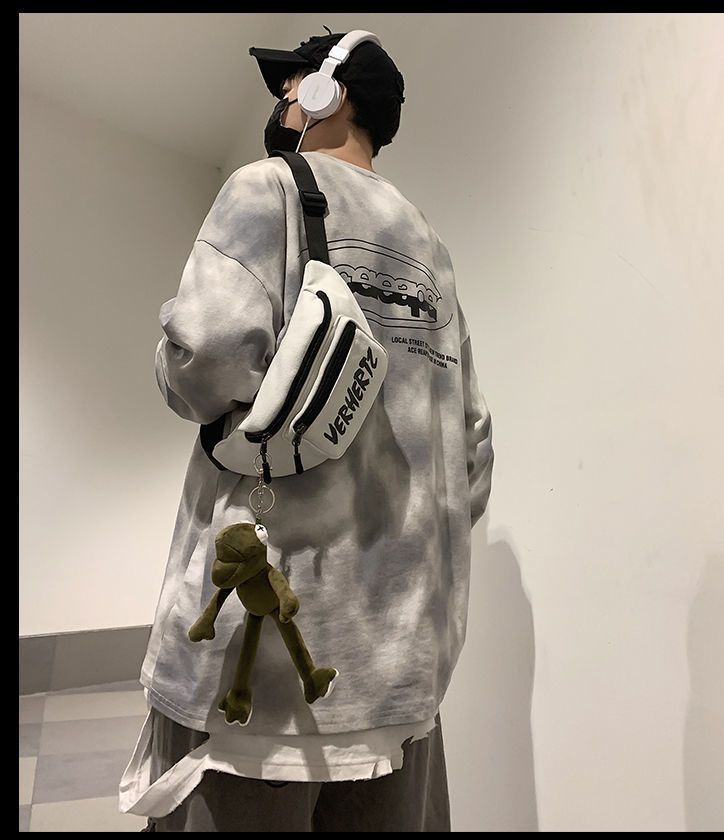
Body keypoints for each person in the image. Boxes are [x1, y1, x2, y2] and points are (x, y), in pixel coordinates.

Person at [120, 29, 494, 832]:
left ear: (331, 92)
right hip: (399, 673)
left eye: (288, 87)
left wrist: (168, 347)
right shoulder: (430, 246)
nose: (280, 103)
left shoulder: (269, 189)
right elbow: (472, 450)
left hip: (265, 680)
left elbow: (203, 357)